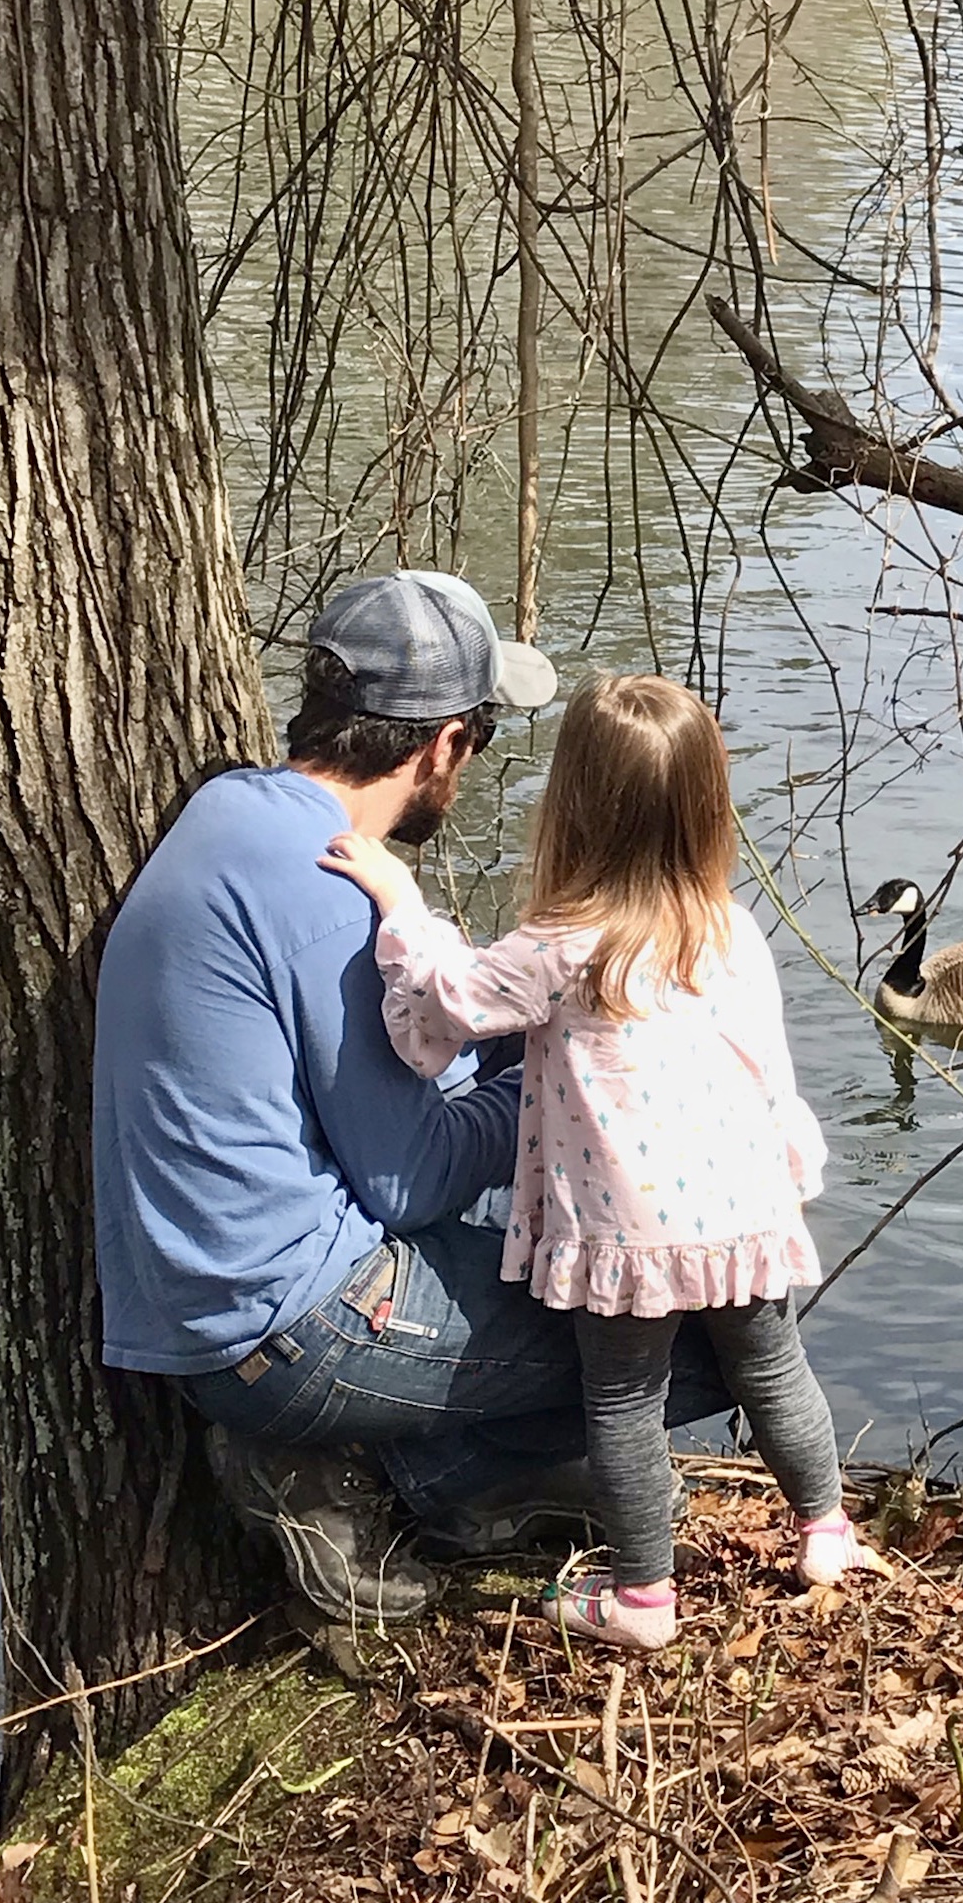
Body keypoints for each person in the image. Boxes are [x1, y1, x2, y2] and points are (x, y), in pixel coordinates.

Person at [92, 573, 738, 1628]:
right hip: (287, 1325)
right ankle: (387, 1479)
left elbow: (384, 1099)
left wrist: (506, 1029)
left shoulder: (235, 810)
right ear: (439, 745)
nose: (472, 764)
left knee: (575, 1224)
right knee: (713, 1324)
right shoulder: (328, 899)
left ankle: (470, 1474)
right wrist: (558, 1085)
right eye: (479, 737)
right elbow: (410, 1176)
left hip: (215, 1295)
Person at [321, 671, 870, 1653]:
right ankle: (826, 1530)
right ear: (705, 806)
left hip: (630, 1230)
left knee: (622, 1399)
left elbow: (449, 1001)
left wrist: (402, 903)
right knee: (773, 1365)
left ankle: (644, 1595)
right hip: (745, 1207)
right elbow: (767, 1063)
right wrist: (793, 1167)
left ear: (573, 804)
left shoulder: (564, 944)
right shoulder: (729, 928)